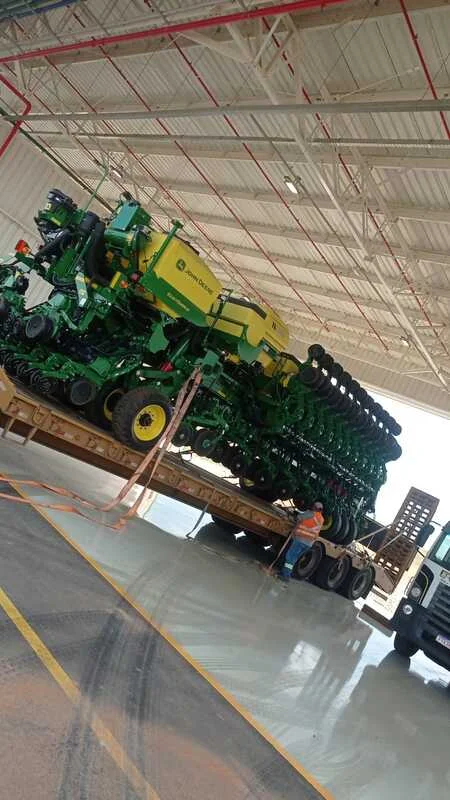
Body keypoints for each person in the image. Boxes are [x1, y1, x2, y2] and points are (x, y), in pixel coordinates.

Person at [278, 501, 324, 584]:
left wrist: (293, 515)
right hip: (308, 543)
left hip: (300, 540)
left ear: (314, 507)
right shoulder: (321, 519)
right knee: (293, 559)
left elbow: (299, 518)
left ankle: (285, 576)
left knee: (290, 558)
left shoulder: (311, 514)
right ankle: (284, 573)